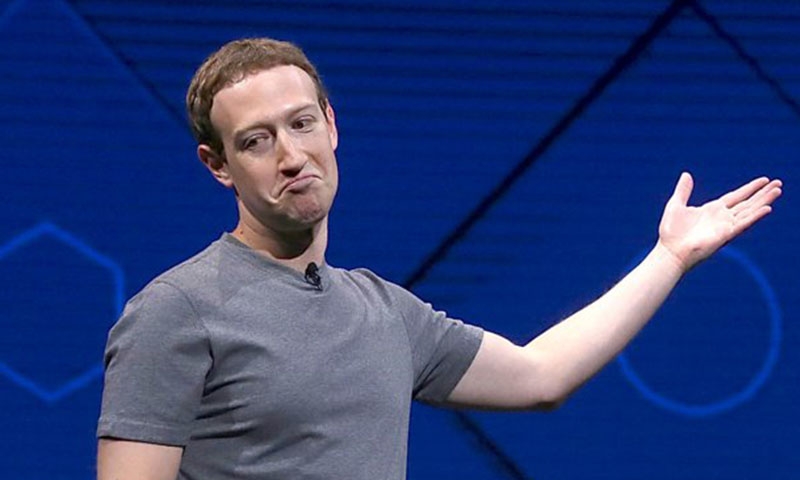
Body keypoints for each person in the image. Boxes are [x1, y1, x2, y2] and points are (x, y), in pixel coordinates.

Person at [96, 38, 783, 480]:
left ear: (331, 126)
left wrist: (669, 257)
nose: (292, 156)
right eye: (256, 140)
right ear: (218, 166)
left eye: (302, 124)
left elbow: (540, 375)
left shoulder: (384, 311)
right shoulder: (177, 310)